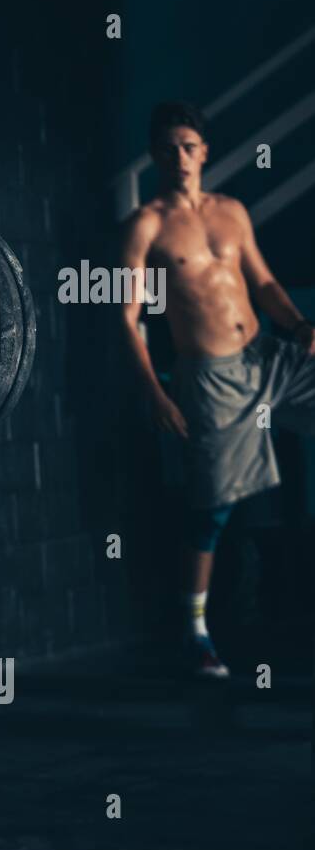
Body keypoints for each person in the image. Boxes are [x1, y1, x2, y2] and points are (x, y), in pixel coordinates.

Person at [119, 100, 315, 679]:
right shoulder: (147, 225)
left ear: (204, 152)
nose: (180, 157)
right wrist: (156, 392)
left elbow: (266, 282)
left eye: (189, 146)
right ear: (156, 156)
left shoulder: (231, 213)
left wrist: (300, 325)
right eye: (169, 148)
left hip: (268, 357)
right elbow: (126, 318)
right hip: (211, 378)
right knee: (213, 510)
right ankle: (195, 631)